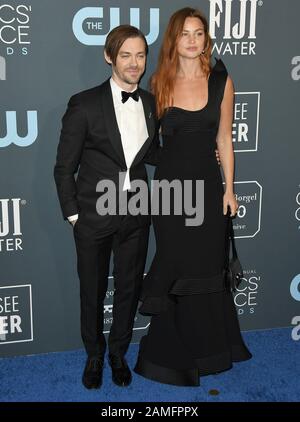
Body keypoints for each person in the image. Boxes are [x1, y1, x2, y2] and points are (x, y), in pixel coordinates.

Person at [134, 8, 252, 386]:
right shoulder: (159, 81)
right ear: (174, 39)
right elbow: (151, 142)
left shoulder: (221, 80)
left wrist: (229, 189)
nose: (191, 40)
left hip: (206, 189)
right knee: (174, 264)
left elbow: (224, 139)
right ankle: (175, 348)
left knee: (204, 267)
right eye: (184, 33)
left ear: (206, 40)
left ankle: (210, 350)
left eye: (198, 33)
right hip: (169, 193)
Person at [54, 25, 161, 389]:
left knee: (129, 288)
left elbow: (152, 154)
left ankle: (118, 352)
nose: (135, 63)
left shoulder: (149, 103)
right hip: (93, 216)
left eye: (141, 55)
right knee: (93, 290)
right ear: (109, 56)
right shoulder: (83, 104)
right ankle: (95, 355)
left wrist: (194, 150)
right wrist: (73, 215)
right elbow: (64, 167)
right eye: (126, 55)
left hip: (136, 213)